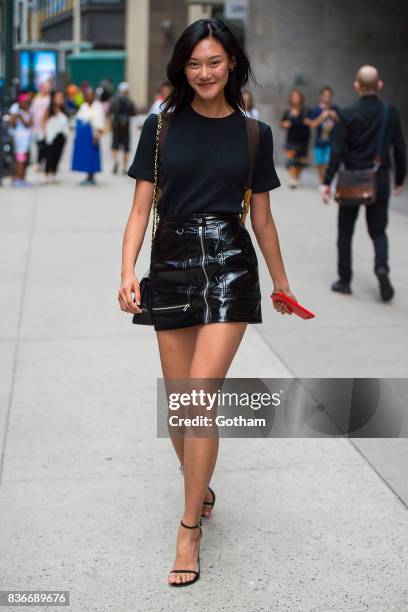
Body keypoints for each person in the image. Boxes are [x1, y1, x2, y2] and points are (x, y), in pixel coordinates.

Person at [118, 18, 298, 587]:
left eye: (215, 62)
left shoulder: (254, 133)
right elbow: (141, 208)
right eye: (195, 64)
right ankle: (200, 480)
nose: (204, 73)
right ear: (182, 67)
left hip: (228, 267)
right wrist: (128, 271)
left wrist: (281, 281)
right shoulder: (160, 127)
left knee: (198, 398)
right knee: (179, 408)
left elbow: (263, 219)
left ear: (232, 64)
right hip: (169, 265)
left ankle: (189, 527)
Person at [321, 65, 406, 302]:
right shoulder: (390, 112)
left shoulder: (347, 114)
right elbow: (400, 148)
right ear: (379, 85)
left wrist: (327, 181)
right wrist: (399, 179)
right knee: (378, 231)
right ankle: (381, 268)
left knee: (345, 232)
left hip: (351, 180)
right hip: (379, 179)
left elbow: (336, 151)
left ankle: (345, 281)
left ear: (356, 86)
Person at [305, 86, 340, 183]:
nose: (327, 98)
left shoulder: (335, 109)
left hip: (332, 141)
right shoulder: (316, 110)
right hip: (319, 141)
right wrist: (322, 117)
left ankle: (329, 182)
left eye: (329, 96)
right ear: (321, 96)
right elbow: (312, 125)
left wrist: (335, 117)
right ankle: (323, 183)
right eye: (325, 96)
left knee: (328, 163)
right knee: (320, 164)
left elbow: (342, 124)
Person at [71, 87, 105, 185]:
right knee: (85, 156)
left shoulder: (98, 106)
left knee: (92, 156)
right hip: (84, 136)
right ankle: (87, 175)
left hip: (93, 135)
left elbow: (99, 121)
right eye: (87, 95)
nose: (89, 97)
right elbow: (79, 119)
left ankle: (92, 176)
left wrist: (97, 134)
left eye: (91, 95)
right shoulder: (83, 106)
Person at [280, 89, 310, 188]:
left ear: (301, 98)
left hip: (303, 139)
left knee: (299, 161)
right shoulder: (288, 111)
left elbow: (312, 121)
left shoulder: (306, 110)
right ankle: (292, 178)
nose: (295, 99)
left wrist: (308, 121)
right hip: (291, 139)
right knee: (291, 159)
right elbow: (282, 123)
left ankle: (296, 177)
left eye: (297, 97)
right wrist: (285, 124)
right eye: (293, 97)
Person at [109, 82, 137, 175]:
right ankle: (124, 167)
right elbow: (134, 113)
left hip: (116, 126)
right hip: (126, 127)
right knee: (126, 148)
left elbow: (109, 112)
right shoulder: (130, 101)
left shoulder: (114, 100)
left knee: (114, 146)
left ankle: (116, 161)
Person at [42, 90, 69, 184]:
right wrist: (45, 134)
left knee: (58, 155)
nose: (60, 100)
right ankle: (46, 174)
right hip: (51, 136)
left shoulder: (64, 110)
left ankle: (53, 173)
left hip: (61, 136)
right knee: (50, 155)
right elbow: (44, 121)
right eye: (58, 97)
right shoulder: (49, 110)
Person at [8, 93, 33, 187]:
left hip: (27, 140)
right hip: (19, 140)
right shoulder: (17, 110)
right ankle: (18, 179)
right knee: (20, 160)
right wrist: (17, 114)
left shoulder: (28, 110)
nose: (26, 102)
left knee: (24, 160)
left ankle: (22, 178)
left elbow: (30, 123)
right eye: (25, 101)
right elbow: (13, 123)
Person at [30, 76, 52, 170]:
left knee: (46, 145)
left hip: (47, 125)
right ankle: (39, 162)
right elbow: (33, 112)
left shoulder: (50, 98)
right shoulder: (37, 98)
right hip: (37, 125)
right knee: (39, 144)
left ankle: (44, 162)